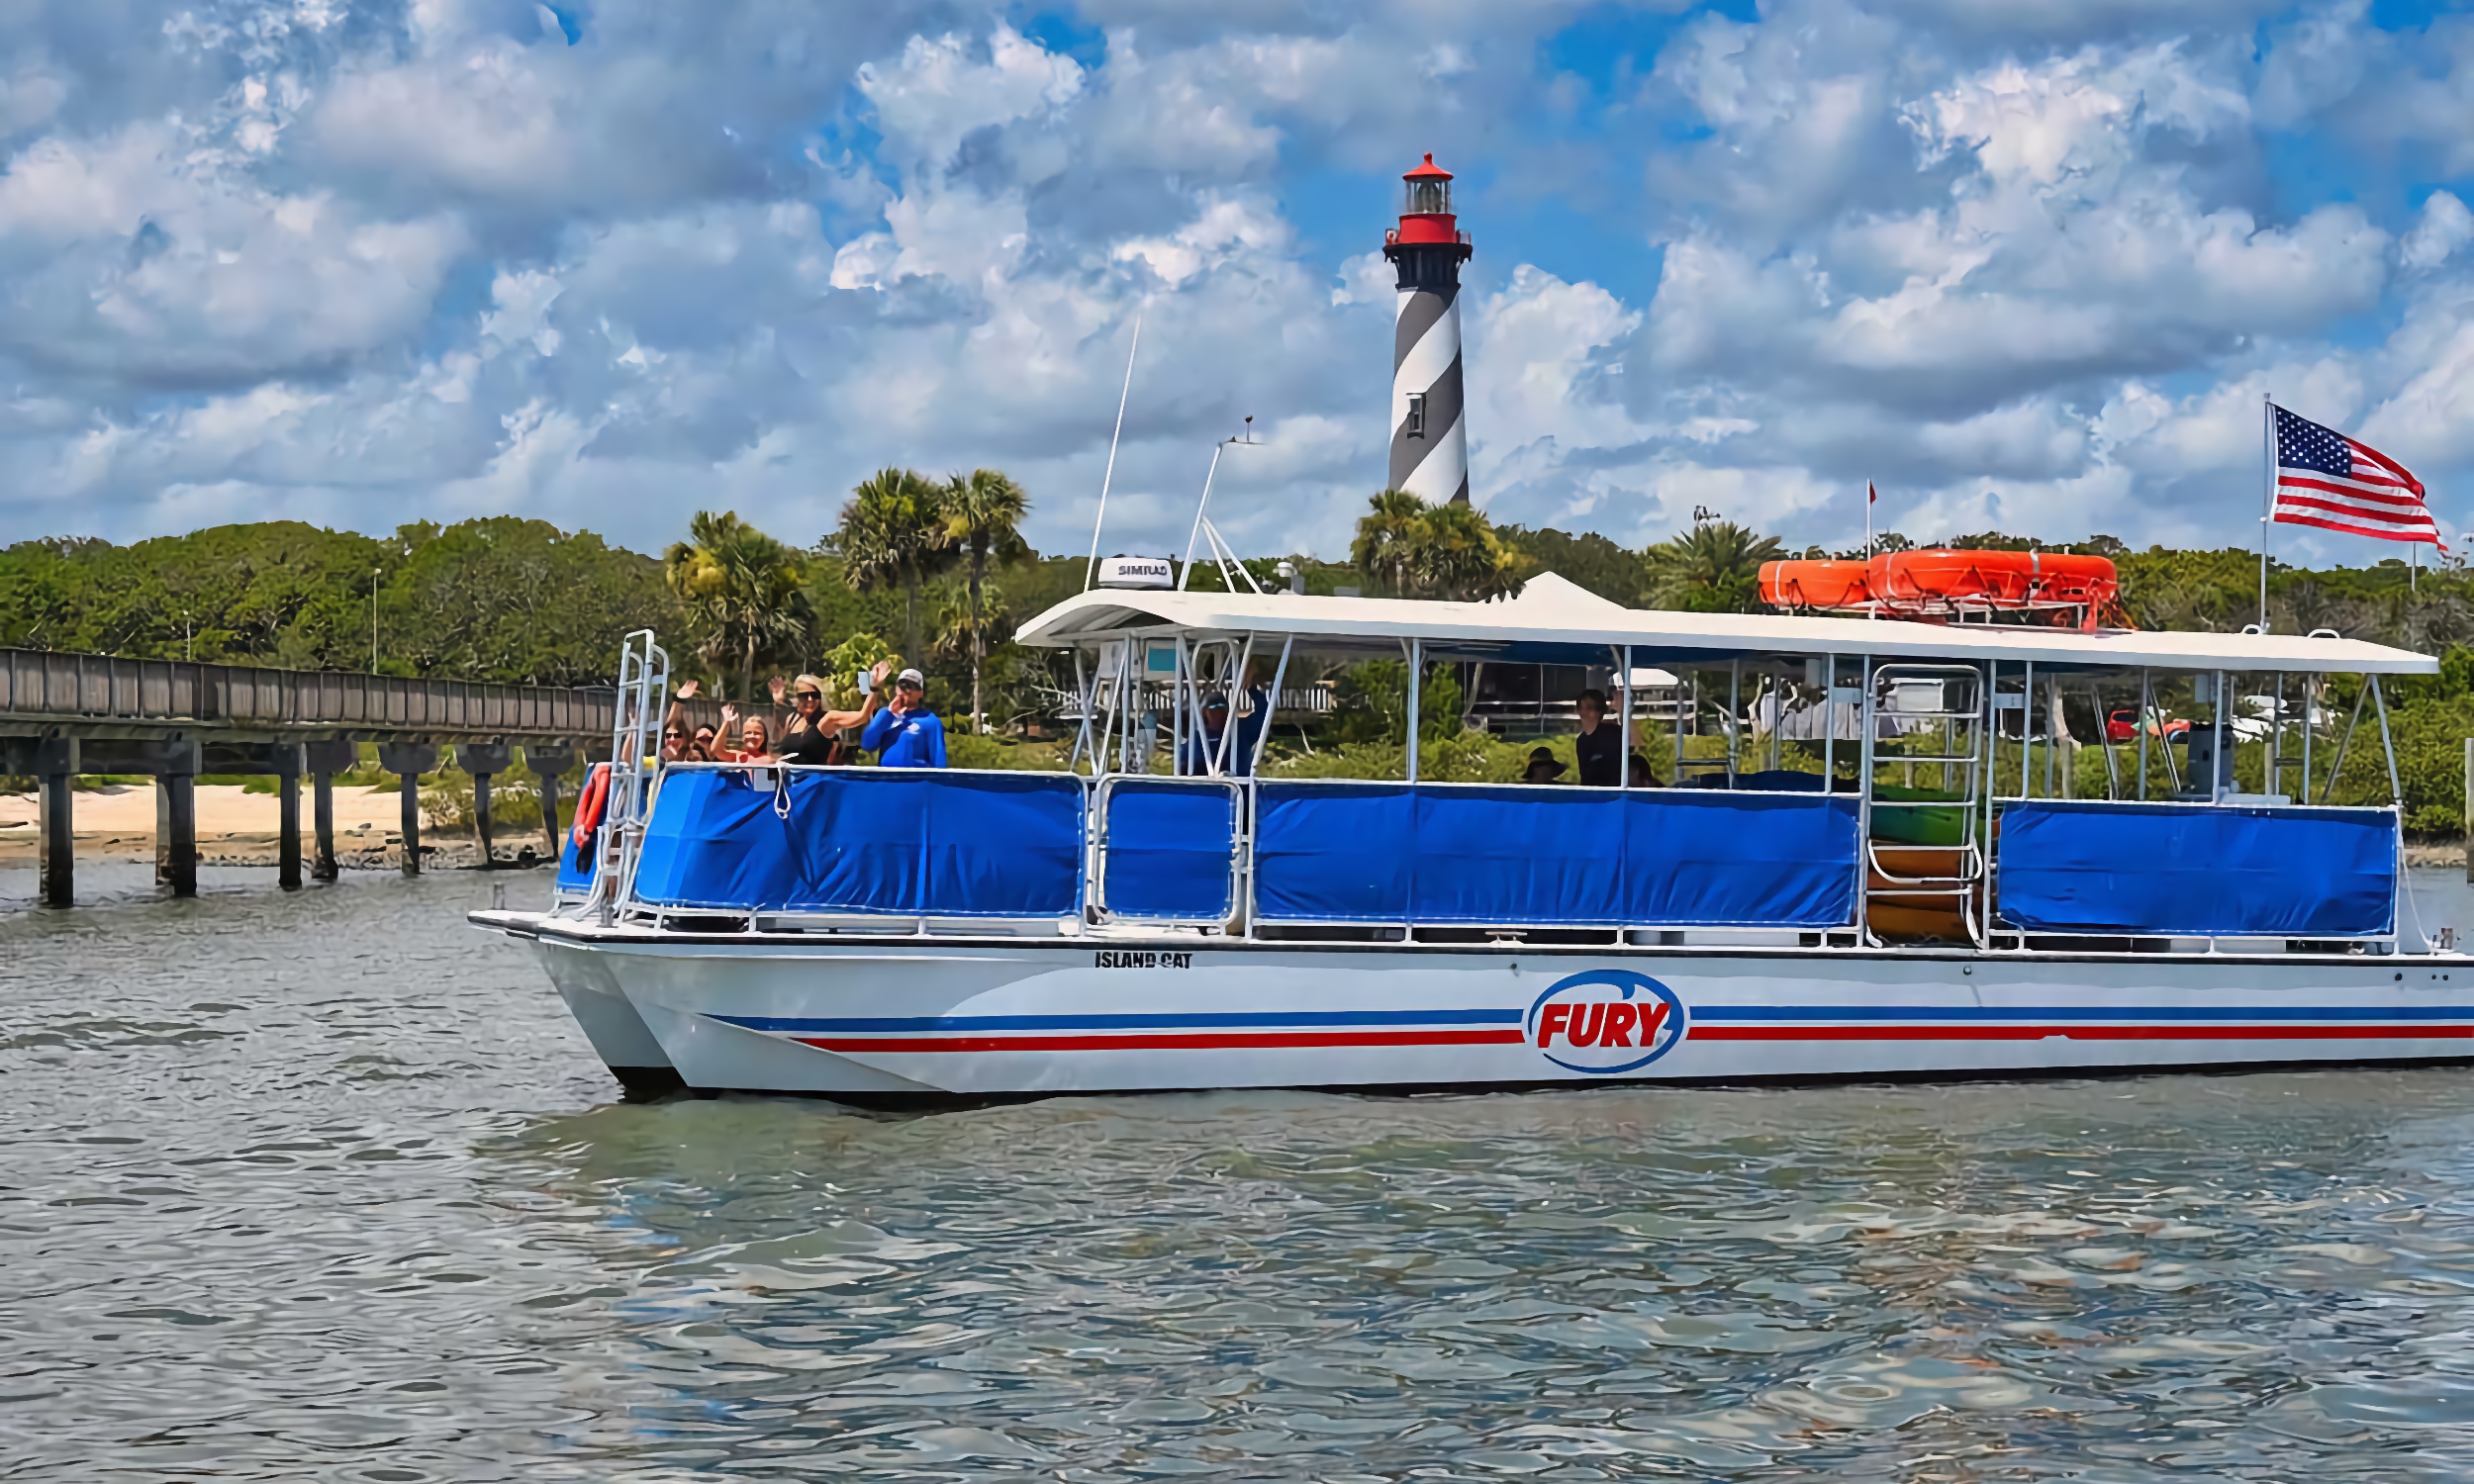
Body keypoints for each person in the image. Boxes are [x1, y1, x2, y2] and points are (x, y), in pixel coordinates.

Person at [769, 667, 886, 767]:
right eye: (804, 695)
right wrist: (778, 701)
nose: (810, 699)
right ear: (797, 697)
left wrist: (874, 688)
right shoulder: (792, 719)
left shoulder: (827, 720)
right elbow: (779, 746)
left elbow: (862, 716)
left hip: (814, 785)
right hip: (789, 785)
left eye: (815, 695)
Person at [860, 667, 946, 767]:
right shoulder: (884, 714)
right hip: (886, 780)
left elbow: (939, 760)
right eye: (903, 685)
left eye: (913, 686)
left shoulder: (930, 721)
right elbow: (867, 745)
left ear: (921, 693)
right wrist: (889, 714)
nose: (907, 690)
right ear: (896, 688)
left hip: (915, 781)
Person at [1572, 688, 1631, 788]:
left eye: (1597, 708)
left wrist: (1624, 711)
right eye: (1589, 707)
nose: (1593, 712)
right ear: (1578, 711)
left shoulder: (1612, 732)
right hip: (1592, 799)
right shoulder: (1581, 741)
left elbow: (1634, 744)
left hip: (1614, 796)